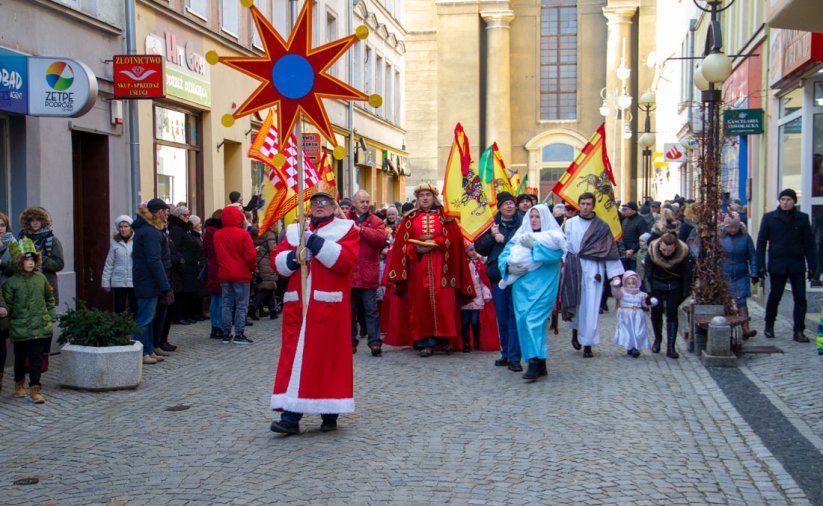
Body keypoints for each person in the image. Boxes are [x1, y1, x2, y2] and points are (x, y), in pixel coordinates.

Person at [269, 192, 359, 435]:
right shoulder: (295, 230)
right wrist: (293, 257)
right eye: (315, 203)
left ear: (333, 206)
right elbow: (276, 261)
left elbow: (345, 262)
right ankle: (290, 416)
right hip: (298, 306)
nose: (319, 206)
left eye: (325, 203)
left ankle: (329, 411)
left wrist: (315, 243)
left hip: (328, 306)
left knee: (327, 359)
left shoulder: (346, 229)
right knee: (293, 358)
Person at [385, 182, 473, 357]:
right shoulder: (409, 219)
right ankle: (425, 342)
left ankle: (445, 340)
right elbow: (401, 246)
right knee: (421, 304)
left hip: (443, 268)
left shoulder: (447, 218)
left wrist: (438, 242)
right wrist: (416, 249)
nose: (425, 198)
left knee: (445, 303)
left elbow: (455, 241)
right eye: (422, 195)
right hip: (417, 268)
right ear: (417, 199)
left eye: (428, 195)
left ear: (434, 197)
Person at [499, 205, 565, 381]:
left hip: (544, 286)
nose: (534, 220)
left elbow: (556, 256)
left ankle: (533, 362)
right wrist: (508, 266)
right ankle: (540, 361)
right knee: (523, 322)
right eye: (531, 216)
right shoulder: (520, 235)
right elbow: (505, 254)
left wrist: (535, 246)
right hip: (521, 288)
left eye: (538, 216)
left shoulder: (552, 236)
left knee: (533, 321)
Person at [560, 192, 625, 358]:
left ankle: (587, 343)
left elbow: (609, 250)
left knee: (591, 306)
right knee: (575, 300)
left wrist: (614, 276)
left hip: (594, 269)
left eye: (588, 204)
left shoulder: (602, 227)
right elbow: (563, 245)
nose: (585, 207)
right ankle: (575, 332)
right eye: (582, 203)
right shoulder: (570, 224)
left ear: (593, 206)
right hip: (574, 266)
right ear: (578, 205)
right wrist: (563, 262)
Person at [756, 188, 816, 342]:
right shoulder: (770, 218)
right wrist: (760, 265)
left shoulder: (802, 218)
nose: (785, 202)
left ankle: (799, 330)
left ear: (794, 201)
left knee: (800, 298)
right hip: (777, 263)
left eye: (788, 199)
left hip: (796, 264)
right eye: (782, 199)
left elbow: (809, 244)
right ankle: (769, 325)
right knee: (775, 297)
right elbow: (761, 243)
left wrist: (812, 266)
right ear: (779, 201)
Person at [474, 191, 524, 370]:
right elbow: (480, 247)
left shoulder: (524, 223)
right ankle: (505, 352)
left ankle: (514, 357)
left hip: (519, 276)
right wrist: (492, 236)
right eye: (505, 204)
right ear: (500, 207)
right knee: (502, 317)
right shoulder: (491, 224)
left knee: (515, 317)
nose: (509, 206)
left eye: (511, 203)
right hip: (498, 276)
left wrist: (503, 240)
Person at [4, 239, 56, 403]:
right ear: (20, 262)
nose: (30, 263)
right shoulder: (12, 283)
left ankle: (35, 388)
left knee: (36, 358)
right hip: (20, 328)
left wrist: (50, 315)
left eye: (32, 260)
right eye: (26, 260)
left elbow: (49, 299)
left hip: (39, 326)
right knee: (20, 358)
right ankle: (19, 384)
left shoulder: (41, 278)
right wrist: (9, 323)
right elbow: (8, 307)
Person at [131, 199, 173, 364]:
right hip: (147, 280)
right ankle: (140, 353)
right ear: (159, 212)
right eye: (166, 212)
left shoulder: (151, 229)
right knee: (144, 319)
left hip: (148, 279)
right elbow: (154, 260)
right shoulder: (150, 231)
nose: (167, 215)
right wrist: (165, 285)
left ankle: (148, 349)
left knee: (149, 317)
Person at [348, 190, 388, 356]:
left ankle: (374, 342)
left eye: (367, 201)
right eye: (361, 201)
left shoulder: (376, 221)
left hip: (368, 273)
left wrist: (361, 231)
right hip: (350, 273)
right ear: (354, 202)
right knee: (350, 312)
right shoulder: (345, 220)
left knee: (371, 310)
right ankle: (351, 341)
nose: (365, 204)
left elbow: (380, 240)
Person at [214, 205, 258, 345]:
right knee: (241, 305)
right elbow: (250, 255)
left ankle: (226, 334)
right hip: (241, 274)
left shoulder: (218, 234)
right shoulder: (243, 234)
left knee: (226, 304)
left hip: (224, 273)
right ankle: (239, 333)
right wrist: (252, 268)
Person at [645, 232, 693, 359]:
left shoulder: (682, 253)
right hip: (656, 284)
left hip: (674, 284)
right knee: (656, 312)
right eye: (664, 250)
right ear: (660, 244)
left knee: (672, 313)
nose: (666, 253)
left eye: (669, 251)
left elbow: (686, 273)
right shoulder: (652, 251)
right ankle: (657, 339)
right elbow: (647, 275)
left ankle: (671, 347)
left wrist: (685, 292)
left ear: (675, 248)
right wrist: (649, 292)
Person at [720, 212, 758, 338]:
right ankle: (726, 329)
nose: (732, 230)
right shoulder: (721, 238)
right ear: (726, 226)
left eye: (735, 227)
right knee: (726, 302)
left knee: (741, 301)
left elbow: (752, 256)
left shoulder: (745, 238)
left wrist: (754, 272)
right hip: (725, 273)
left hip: (741, 274)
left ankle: (745, 328)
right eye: (730, 227)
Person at [18, 207, 64, 304]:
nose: (35, 223)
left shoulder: (52, 240)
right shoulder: (23, 239)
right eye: (32, 220)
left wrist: (39, 257)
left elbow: (59, 264)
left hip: (46, 285)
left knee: (46, 316)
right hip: (26, 285)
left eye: (38, 219)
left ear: (43, 221)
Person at [168, 206, 205, 325]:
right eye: (184, 215)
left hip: (189, 264)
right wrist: (181, 260)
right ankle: (180, 316)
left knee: (188, 291)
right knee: (181, 292)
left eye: (188, 215)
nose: (187, 217)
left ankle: (187, 314)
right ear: (179, 216)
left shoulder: (185, 229)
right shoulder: (176, 229)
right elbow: (177, 247)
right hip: (182, 265)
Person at [611, 271, 656, 358]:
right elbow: (616, 294)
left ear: (637, 284)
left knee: (637, 331)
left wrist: (651, 303)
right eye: (629, 283)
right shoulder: (622, 292)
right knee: (628, 331)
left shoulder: (641, 294)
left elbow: (644, 304)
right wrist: (615, 286)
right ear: (625, 283)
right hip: (626, 315)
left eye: (633, 283)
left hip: (638, 315)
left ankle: (636, 347)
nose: (631, 285)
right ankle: (630, 347)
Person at [460, 243, 493, 352]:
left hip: (477, 296)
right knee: (465, 322)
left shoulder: (479, 264)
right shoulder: (463, 265)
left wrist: (486, 292)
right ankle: (466, 344)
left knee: (475, 321)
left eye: (474, 250)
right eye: (470, 250)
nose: (473, 252)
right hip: (465, 296)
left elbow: (482, 280)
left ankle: (476, 341)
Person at [102, 215, 136, 313]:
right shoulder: (115, 243)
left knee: (135, 307)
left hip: (133, 281)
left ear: (130, 228)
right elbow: (109, 263)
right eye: (121, 227)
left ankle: (134, 328)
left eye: (126, 226)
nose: (123, 229)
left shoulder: (136, 241)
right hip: (118, 281)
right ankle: (120, 327)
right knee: (119, 308)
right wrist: (105, 282)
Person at [252, 221, 281, 321]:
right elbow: (273, 250)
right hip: (267, 263)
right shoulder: (270, 234)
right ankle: (253, 307)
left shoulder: (260, 233)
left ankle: (273, 311)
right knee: (267, 287)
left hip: (260, 262)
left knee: (269, 286)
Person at [203, 210, 224, 339]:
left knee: (214, 298)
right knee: (221, 299)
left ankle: (214, 327)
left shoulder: (207, 234)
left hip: (211, 266)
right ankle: (220, 327)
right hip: (220, 267)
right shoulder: (220, 234)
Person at [620, 202, 648, 272]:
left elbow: (643, 238)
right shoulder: (625, 220)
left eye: (626, 209)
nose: (624, 211)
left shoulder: (640, 221)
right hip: (624, 253)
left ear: (632, 210)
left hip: (635, 254)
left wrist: (633, 249)